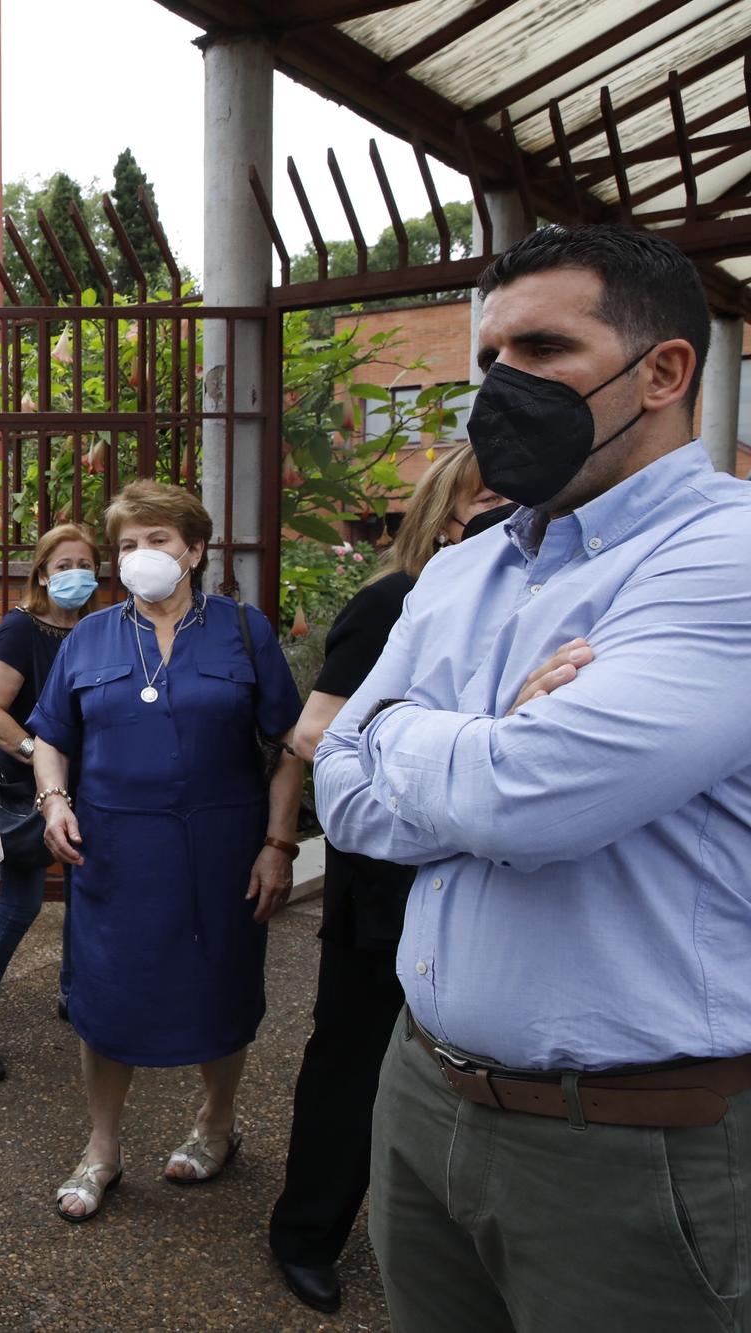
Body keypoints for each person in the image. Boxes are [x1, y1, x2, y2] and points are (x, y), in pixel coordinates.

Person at [316, 225, 751, 1332]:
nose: (501, 389)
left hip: (631, 1138)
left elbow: (528, 798)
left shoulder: (723, 558)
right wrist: (485, 742)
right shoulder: (462, 567)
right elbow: (342, 793)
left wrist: (421, 736)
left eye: (544, 348)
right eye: (488, 359)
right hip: (422, 1091)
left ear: (663, 372)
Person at [266, 446, 506, 1315]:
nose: (510, 509)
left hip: (471, 883)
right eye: (490, 496)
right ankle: (305, 1233)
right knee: (353, 1059)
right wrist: (459, 762)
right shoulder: (393, 604)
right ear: (445, 514)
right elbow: (312, 733)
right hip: (383, 885)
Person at [30, 479, 304, 1220]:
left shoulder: (244, 631)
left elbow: (289, 745)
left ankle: (216, 1125)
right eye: (126, 544)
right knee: (106, 996)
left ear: (194, 548)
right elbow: (52, 735)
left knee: (221, 986)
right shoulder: (88, 637)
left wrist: (279, 843)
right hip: (115, 853)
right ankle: (102, 1148)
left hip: (223, 850)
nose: (138, 555)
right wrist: (54, 799)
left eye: (156, 540)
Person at [0, 523, 96, 1081]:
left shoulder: (96, 629)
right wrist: (37, 754)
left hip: (92, 787)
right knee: (20, 905)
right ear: (42, 573)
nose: (74, 574)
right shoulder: (21, 630)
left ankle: (76, 994)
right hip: (27, 793)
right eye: (62, 565)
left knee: (87, 895)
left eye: (84, 564)